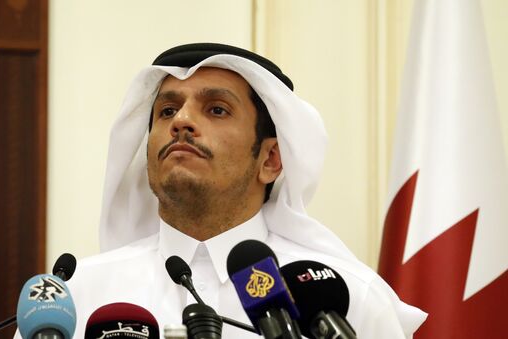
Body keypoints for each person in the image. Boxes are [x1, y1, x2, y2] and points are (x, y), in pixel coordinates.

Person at [60, 43, 426, 338]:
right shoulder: (77, 295)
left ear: (270, 160)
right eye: (168, 110)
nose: (182, 121)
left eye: (217, 110)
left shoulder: (345, 300)